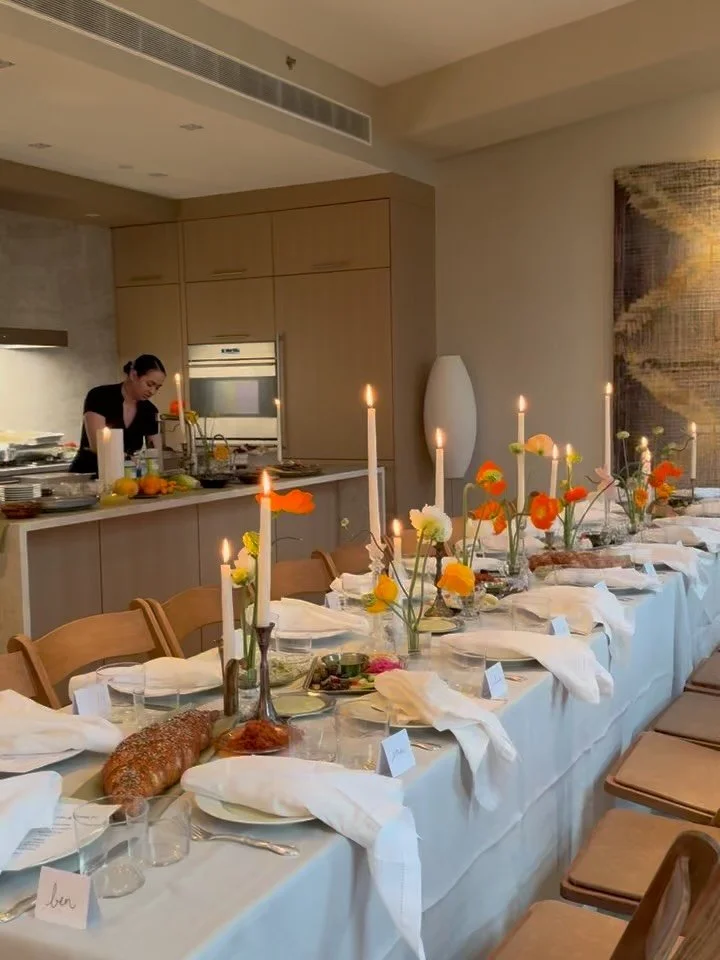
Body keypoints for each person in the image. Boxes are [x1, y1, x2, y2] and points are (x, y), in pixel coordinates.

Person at [70, 354, 166, 476]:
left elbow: (156, 454)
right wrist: (128, 459)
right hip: (87, 474)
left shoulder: (149, 410)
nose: (152, 391)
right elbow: (97, 445)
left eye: (157, 387)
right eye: (149, 384)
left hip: (125, 477)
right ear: (133, 375)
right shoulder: (99, 396)